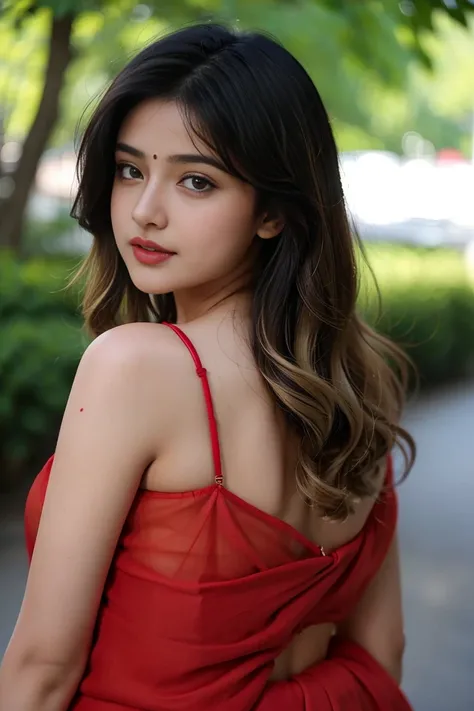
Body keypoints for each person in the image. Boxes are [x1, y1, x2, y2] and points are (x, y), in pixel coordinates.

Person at [0, 22, 416, 711]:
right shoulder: (358, 383)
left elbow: (43, 665)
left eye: (196, 181)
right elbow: (383, 649)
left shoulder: (133, 367)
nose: (145, 210)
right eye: (132, 169)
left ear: (274, 212)